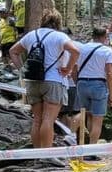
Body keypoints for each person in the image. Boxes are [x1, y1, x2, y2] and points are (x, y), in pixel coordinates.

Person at [8, 10, 79, 148]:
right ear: (58, 22)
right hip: (54, 81)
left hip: (33, 81)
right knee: (48, 119)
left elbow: (13, 51)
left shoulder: (31, 35)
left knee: (37, 120)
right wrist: (68, 69)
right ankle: (47, 154)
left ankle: (37, 153)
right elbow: (75, 51)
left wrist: (22, 70)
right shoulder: (60, 36)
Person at [75, 27, 112, 145]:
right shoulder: (107, 51)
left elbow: (74, 68)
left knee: (88, 116)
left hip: (82, 84)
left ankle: (86, 146)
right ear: (105, 37)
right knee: (98, 120)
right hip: (98, 85)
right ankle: (92, 150)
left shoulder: (82, 48)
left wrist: (77, 82)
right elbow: (109, 72)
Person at [58, 28, 80, 133]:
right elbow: (76, 66)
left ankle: (65, 133)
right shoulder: (76, 46)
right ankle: (70, 133)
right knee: (71, 112)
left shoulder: (56, 45)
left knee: (63, 112)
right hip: (72, 84)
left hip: (59, 82)